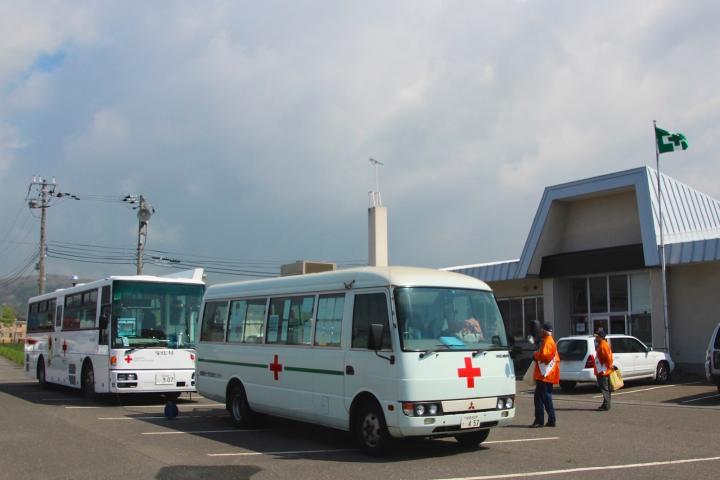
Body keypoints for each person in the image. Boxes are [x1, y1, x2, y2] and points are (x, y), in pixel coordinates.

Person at [531, 322, 559, 428]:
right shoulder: (550, 342)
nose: (540, 332)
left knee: (538, 398)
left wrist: (535, 355)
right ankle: (551, 420)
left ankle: (539, 421)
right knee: (547, 398)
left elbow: (545, 357)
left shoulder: (547, 342)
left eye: (541, 330)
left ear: (544, 331)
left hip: (544, 375)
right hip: (548, 375)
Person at [594, 328, 614, 411]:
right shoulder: (603, 344)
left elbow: (608, 359)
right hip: (603, 370)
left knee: (605, 388)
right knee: (606, 388)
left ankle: (606, 405)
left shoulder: (603, 346)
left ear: (600, 337)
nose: (595, 338)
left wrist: (606, 367)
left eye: (597, 336)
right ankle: (606, 404)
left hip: (603, 371)